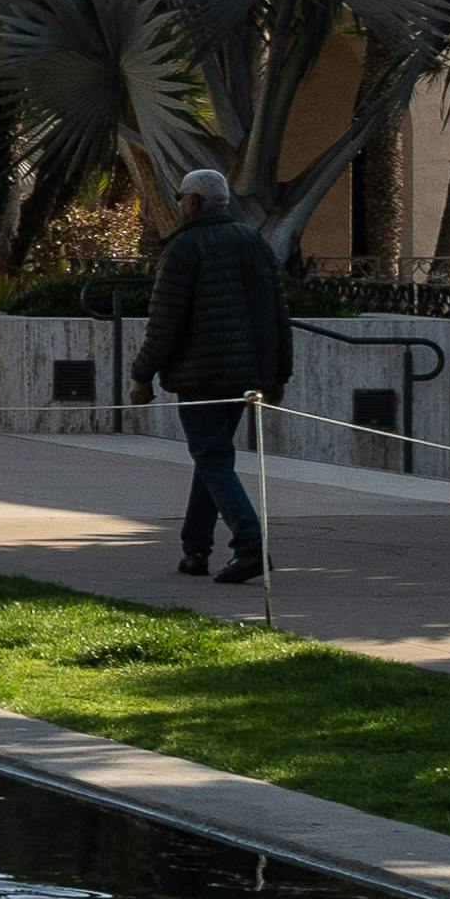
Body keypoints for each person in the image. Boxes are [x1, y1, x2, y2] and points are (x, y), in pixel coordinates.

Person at [144, 164, 300, 587]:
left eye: (181, 198)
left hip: (200, 377)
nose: (179, 205)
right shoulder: (253, 242)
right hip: (244, 374)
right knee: (211, 456)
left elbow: (164, 321)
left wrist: (142, 374)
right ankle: (195, 549)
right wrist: (278, 373)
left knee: (211, 456)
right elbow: (277, 313)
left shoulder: (184, 248)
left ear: (192, 202)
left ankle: (249, 545)